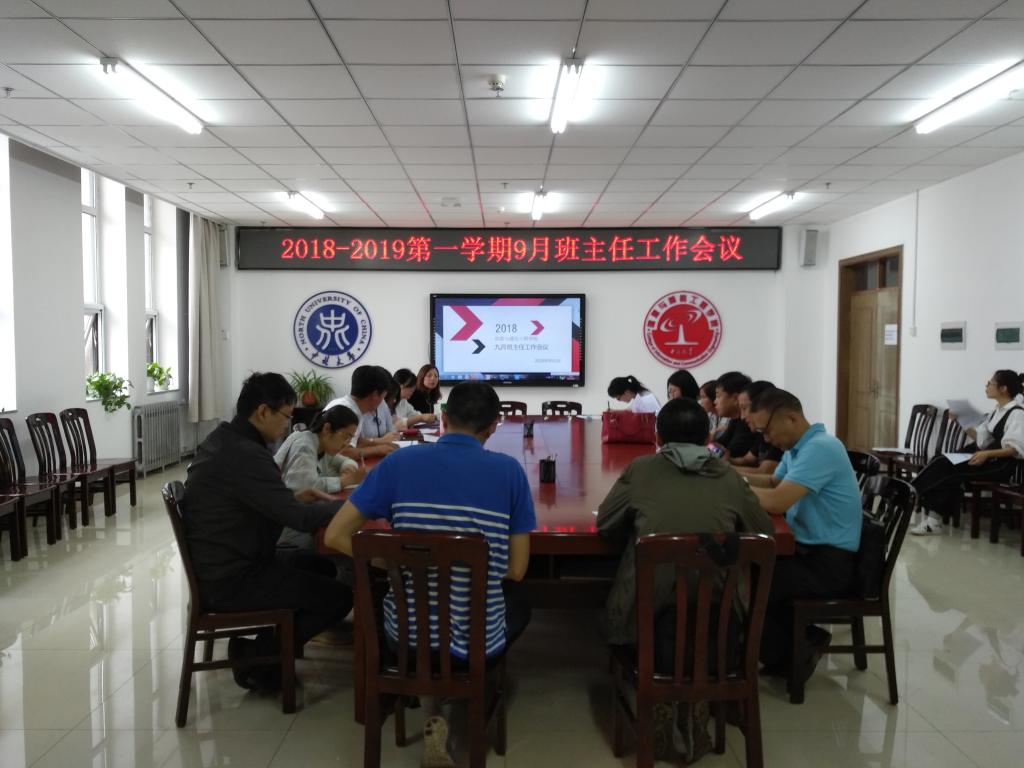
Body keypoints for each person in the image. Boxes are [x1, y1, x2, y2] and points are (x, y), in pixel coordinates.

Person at [324, 381, 536, 766]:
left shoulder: (398, 465)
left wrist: (391, 562)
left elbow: (336, 535)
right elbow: (517, 569)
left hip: (404, 639)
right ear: (494, 426)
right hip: (477, 644)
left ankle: (430, 704)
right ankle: (460, 698)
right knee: (519, 599)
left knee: (413, 608)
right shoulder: (510, 473)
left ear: (444, 418)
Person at [597, 397, 773, 762]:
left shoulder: (641, 470)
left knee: (639, 595)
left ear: (658, 438)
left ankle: (660, 700)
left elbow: (606, 525)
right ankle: (697, 702)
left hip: (642, 621)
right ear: (707, 437)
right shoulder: (728, 476)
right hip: (721, 624)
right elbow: (763, 532)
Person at [184, 372, 353, 691]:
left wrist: (291, 499)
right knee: (340, 597)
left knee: (322, 566)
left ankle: (272, 647)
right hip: (231, 578)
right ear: (263, 411)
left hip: (226, 560)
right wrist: (354, 506)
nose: (287, 426)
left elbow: (260, 500)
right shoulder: (244, 454)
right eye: (286, 417)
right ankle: (258, 657)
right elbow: (299, 519)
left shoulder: (226, 439)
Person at [745, 388, 862, 681]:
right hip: (806, 552)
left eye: (767, 430)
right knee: (747, 571)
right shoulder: (799, 447)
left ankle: (796, 649)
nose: (766, 439)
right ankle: (798, 643)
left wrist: (732, 488)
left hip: (828, 563)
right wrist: (733, 476)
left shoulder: (821, 448)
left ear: (792, 418)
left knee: (745, 584)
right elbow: (775, 482)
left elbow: (777, 502)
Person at [911, 370, 1024, 535]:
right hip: (984, 458)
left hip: (1000, 466)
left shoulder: (1017, 414)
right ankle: (925, 510)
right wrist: (960, 421)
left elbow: (1014, 449)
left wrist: (987, 454)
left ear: (1003, 389)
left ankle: (911, 494)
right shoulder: (997, 411)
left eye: (991, 383)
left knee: (945, 468)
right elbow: (981, 440)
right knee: (941, 460)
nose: (987, 386)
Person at [274, 405, 366, 550]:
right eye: (346, 436)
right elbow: (306, 487)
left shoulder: (322, 444)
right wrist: (344, 481)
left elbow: (344, 461)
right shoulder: (304, 445)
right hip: (286, 530)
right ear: (327, 429)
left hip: (302, 520)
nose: (347, 444)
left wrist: (348, 467)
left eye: (351, 438)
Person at [324, 364, 400, 458]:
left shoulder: (353, 407)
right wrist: (378, 449)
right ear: (375, 395)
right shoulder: (348, 411)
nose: (382, 402)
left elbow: (354, 444)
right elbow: (343, 452)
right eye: (383, 396)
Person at [731, 380, 784, 475]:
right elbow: (747, 460)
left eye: (744, 408)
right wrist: (724, 461)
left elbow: (765, 473)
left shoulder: (779, 434)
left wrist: (724, 469)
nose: (742, 417)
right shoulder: (762, 432)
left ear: (763, 406)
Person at [713, 371, 755, 459]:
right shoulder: (735, 420)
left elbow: (729, 454)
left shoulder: (747, 424)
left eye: (718, 396)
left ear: (735, 398)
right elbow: (717, 446)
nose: (715, 402)